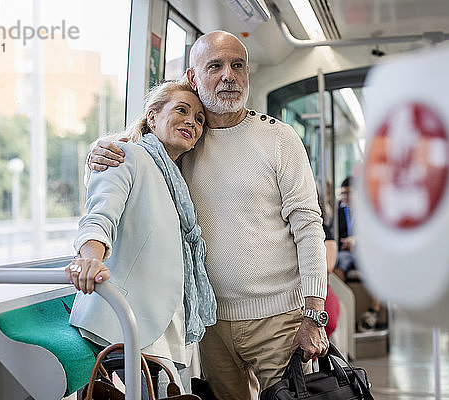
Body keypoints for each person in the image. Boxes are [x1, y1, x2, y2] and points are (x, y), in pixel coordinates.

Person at [87, 31, 329, 399]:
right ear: (192, 77)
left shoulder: (280, 138)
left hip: (280, 320)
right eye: (214, 66)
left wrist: (314, 314)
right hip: (210, 322)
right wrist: (96, 152)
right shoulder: (183, 143)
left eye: (238, 65)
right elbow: (127, 166)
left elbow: (309, 227)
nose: (228, 75)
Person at [64, 80, 217, 395]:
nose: (192, 121)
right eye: (182, 110)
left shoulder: (179, 178)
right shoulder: (125, 155)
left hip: (172, 320)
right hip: (131, 317)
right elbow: (99, 214)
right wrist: (90, 259)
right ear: (153, 115)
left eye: (200, 119)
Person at [334, 176, 381, 332]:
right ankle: (344, 308)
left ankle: (374, 310)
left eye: (348, 193)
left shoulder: (367, 210)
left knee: (373, 267)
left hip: (363, 251)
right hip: (344, 253)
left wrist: (356, 240)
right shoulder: (338, 211)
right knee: (338, 265)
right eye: (342, 193)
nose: (344, 197)